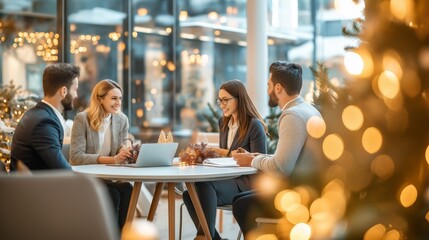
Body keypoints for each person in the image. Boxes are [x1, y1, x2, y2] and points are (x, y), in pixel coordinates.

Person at [232, 61, 323, 237]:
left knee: (241, 205)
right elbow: (292, 157)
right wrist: (260, 156)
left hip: (299, 195)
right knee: (239, 200)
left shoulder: (292, 115)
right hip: (310, 189)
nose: (267, 90)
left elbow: (281, 168)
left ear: (278, 88)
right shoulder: (307, 110)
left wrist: (252, 160)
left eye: (269, 85)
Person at [182, 79, 268, 240]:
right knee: (189, 194)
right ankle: (212, 238)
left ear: (239, 99)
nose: (221, 104)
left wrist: (222, 151)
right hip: (227, 178)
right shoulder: (223, 122)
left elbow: (260, 160)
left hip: (246, 182)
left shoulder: (254, 125)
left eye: (225, 100)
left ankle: (203, 237)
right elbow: (225, 157)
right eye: (219, 100)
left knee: (203, 184)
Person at [69, 79, 133, 230]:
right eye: (113, 98)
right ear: (100, 99)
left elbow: (122, 143)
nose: (118, 102)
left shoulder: (122, 119)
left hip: (108, 177)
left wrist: (125, 148)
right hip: (87, 178)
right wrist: (113, 159)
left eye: (119, 98)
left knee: (128, 189)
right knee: (112, 194)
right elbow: (75, 157)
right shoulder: (82, 119)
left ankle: (122, 235)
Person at [10, 63, 80, 171]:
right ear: (64, 91)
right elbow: (62, 170)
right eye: (75, 89)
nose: (76, 95)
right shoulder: (43, 122)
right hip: (36, 187)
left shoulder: (38, 114)